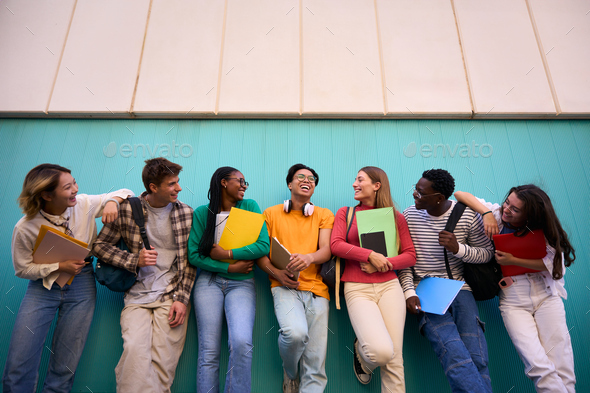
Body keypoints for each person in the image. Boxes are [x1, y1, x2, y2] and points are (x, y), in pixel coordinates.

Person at [3, 163, 133, 392]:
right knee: (20, 360)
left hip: (82, 283)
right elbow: (22, 269)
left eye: (74, 183)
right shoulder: (25, 227)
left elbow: (126, 192)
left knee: (66, 363)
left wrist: (112, 201)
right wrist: (57, 266)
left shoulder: (83, 203)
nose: (75, 189)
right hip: (42, 288)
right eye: (67, 187)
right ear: (46, 194)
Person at [455, 186, 576, 393]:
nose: (507, 209)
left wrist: (514, 260)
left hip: (546, 295)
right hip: (513, 298)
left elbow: (556, 266)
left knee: (561, 362)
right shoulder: (498, 216)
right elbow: (461, 194)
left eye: (515, 209)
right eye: (507, 202)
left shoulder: (544, 231)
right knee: (537, 364)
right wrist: (486, 214)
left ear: (531, 215)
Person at [92, 157, 196, 393]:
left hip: (172, 296)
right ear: (153, 187)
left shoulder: (186, 214)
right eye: (172, 184)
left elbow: (188, 263)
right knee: (133, 353)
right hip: (136, 295)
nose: (178, 188)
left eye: (178, 182)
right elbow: (99, 246)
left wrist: (182, 299)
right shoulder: (128, 209)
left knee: (164, 363)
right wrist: (133, 260)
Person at [397, 169, 494, 393]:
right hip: (426, 290)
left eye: (421, 193)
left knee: (477, 355)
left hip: (460, 288)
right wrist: (409, 292)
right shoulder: (409, 216)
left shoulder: (468, 216)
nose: (415, 195)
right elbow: (405, 261)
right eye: (415, 190)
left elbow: (486, 253)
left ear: (439, 198)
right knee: (452, 352)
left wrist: (457, 248)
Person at [330, 166, 416, 392]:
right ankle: (363, 356)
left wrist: (385, 263)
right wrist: (370, 255)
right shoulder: (345, 213)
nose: (354, 184)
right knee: (381, 352)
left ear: (377, 185)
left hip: (389, 287)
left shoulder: (396, 217)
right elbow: (336, 245)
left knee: (395, 359)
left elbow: (410, 255)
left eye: (360, 180)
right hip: (357, 288)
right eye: (355, 179)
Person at [187, 167, 270, 393]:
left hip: (242, 284)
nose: (244, 185)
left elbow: (263, 245)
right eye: (240, 181)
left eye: (246, 182)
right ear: (224, 182)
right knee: (208, 350)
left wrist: (228, 254)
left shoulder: (250, 206)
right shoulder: (202, 213)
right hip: (209, 282)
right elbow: (194, 255)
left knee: (242, 343)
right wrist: (228, 267)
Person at [256, 164, 334, 393]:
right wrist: (277, 274)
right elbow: (261, 255)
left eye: (312, 178)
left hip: (317, 291)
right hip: (284, 288)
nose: (307, 180)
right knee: (295, 334)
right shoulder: (270, 214)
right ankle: (290, 372)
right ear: (290, 184)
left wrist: (310, 257)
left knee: (316, 362)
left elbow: (327, 250)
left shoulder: (324, 214)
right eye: (301, 177)